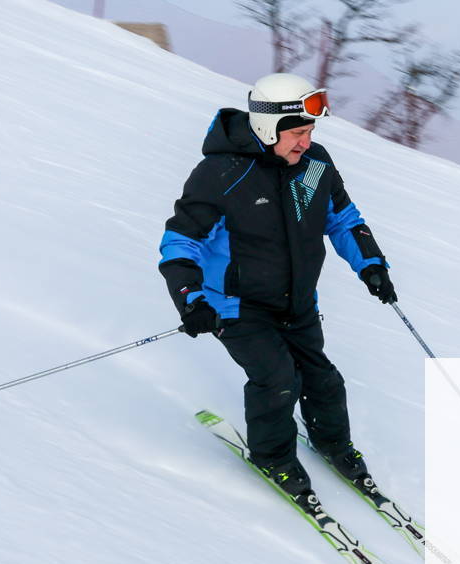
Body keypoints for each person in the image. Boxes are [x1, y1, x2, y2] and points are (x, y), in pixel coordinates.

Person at [159, 73, 397, 508]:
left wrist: (371, 265)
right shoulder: (221, 174)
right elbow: (180, 242)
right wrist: (190, 297)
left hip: (299, 303)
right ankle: (274, 458)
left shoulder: (315, 166)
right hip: (236, 306)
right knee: (276, 379)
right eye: (298, 133)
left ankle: (334, 445)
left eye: (310, 132)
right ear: (269, 128)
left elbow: (343, 219)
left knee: (323, 380)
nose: (305, 142)